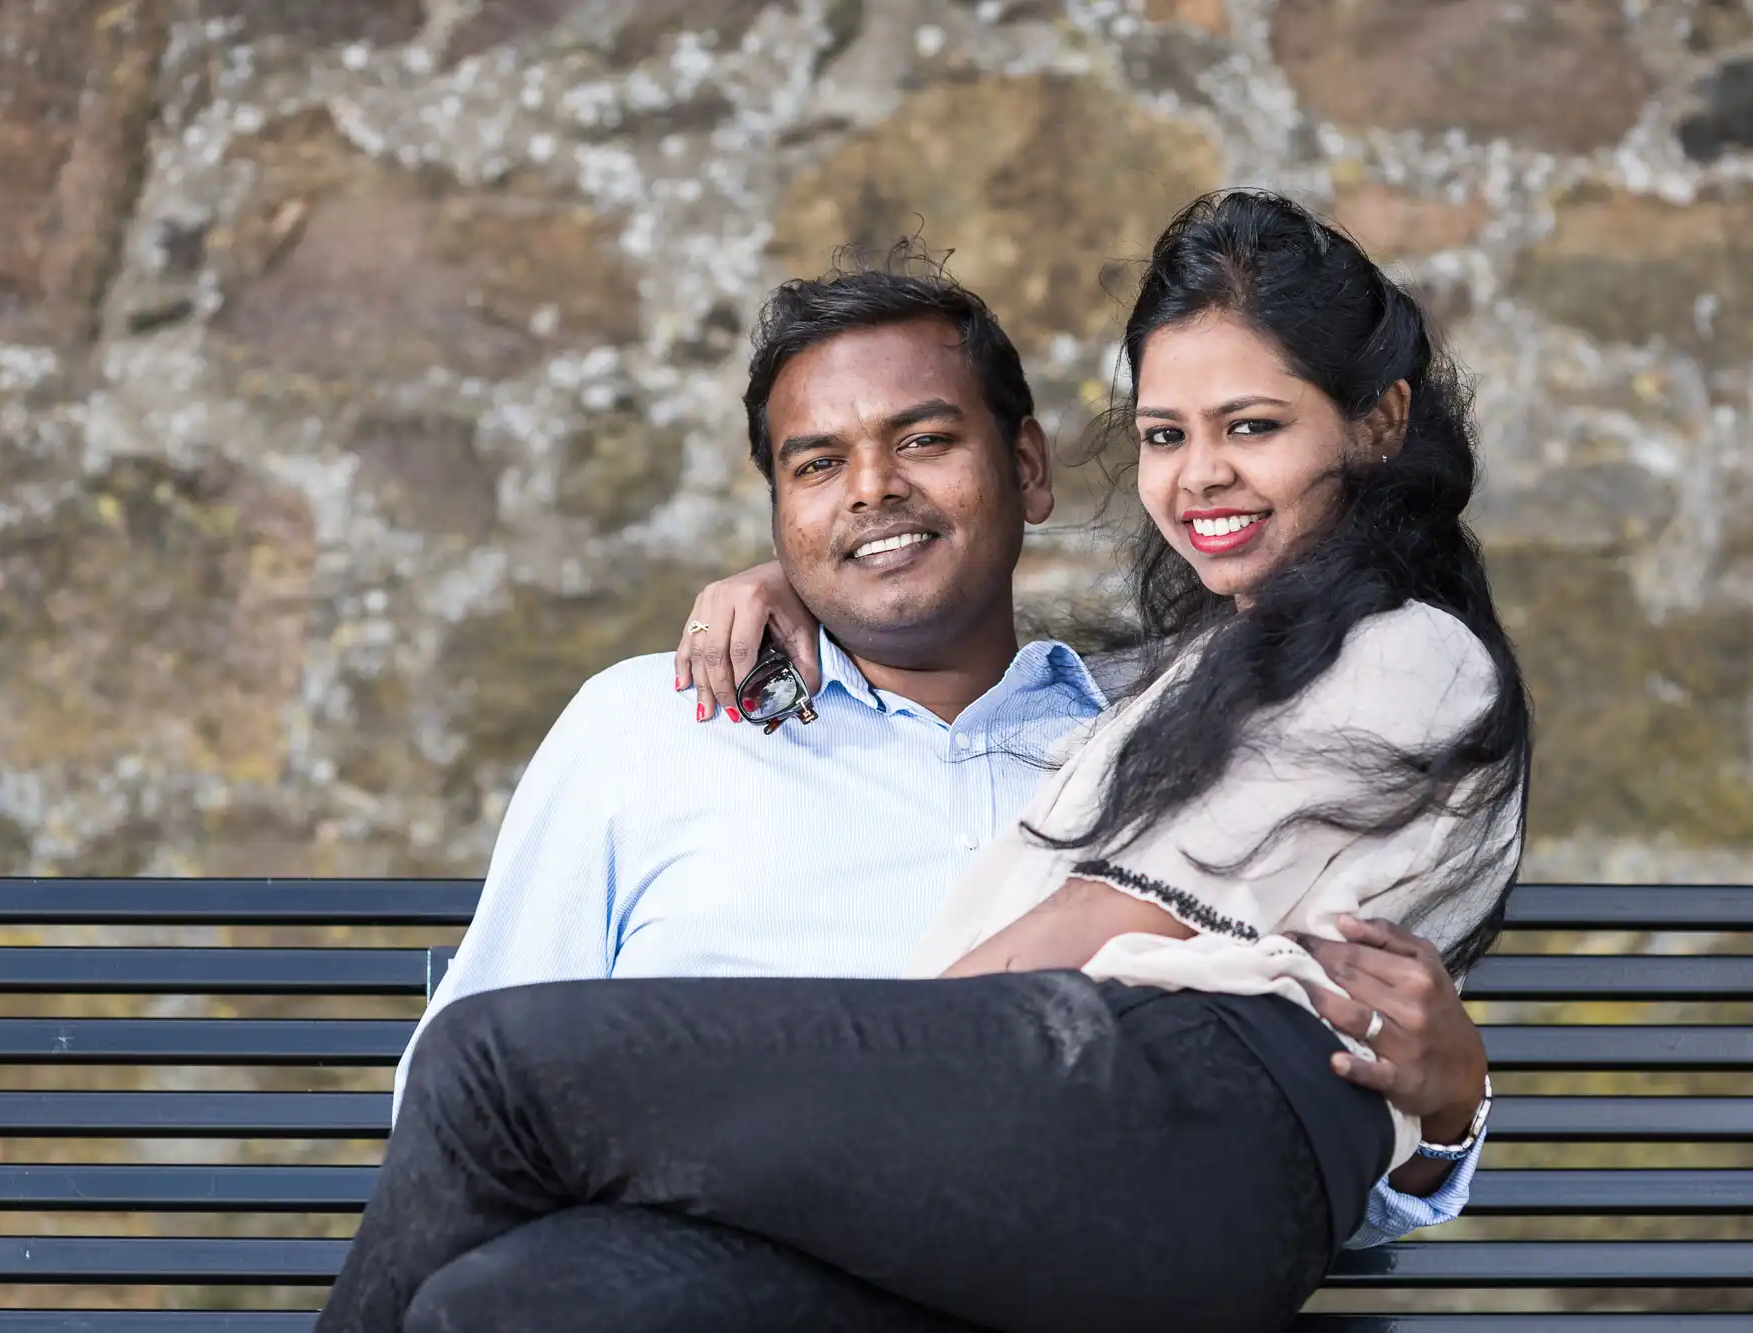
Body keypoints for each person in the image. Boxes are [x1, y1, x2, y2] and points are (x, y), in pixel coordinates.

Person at [330, 189, 1527, 1333]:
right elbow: (460, 1144)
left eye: (921, 440)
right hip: (790, 1272)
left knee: (490, 1076)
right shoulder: (648, 725)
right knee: (494, 1307)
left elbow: (1270, 1116)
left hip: (1073, 1216)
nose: (871, 492)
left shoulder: (1157, 724)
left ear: (1029, 469)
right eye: (816, 467)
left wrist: (1450, 1108)